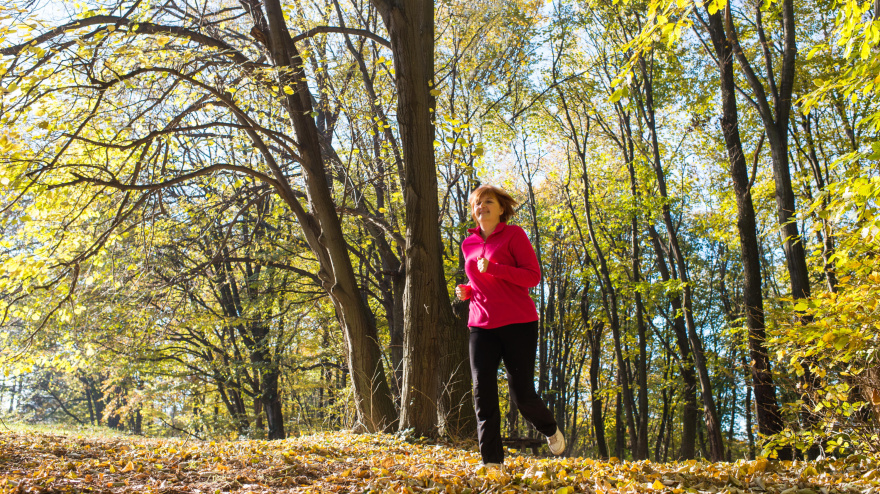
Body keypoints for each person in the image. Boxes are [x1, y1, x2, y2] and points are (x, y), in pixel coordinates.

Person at [455, 185, 564, 468]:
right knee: (483, 392)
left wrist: (494, 269)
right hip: (481, 324)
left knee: (522, 395)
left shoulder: (514, 235)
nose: (482, 207)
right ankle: (492, 463)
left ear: (501, 208)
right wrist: (467, 290)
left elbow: (532, 277)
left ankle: (549, 428)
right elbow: (477, 279)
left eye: (488, 202)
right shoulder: (468, 243)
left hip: (518, 323)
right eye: (478, 204)